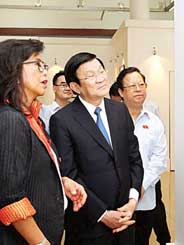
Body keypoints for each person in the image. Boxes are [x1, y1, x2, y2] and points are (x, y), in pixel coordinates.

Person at [49, 52, 144, 245]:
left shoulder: (119, 110)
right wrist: (102, 214)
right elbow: (69, 174)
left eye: (101, 71)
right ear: (75, 86)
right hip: (89, 224)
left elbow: (134, 158)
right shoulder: (62, 120)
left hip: (126, 218)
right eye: (91, 76)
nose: (101, 78)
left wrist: (132, 200)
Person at [0, 39, 86, 245]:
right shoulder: (11, 119)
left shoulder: (33, 117)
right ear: (12, 70)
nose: (44, 72)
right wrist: (41, 243)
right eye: (37, 65)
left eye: (44, 66)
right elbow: (10, 197)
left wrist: (61, 182)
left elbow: (29, 171)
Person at [117, 67, 171, 245]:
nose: (139, 89)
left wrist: (141, 185)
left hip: (145, 196)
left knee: (141, 239)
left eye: (141, 84)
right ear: (121, 92)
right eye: (132, 85)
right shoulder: (110, 120)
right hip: (116, 198)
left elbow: (159, 159)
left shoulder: (154, 121)